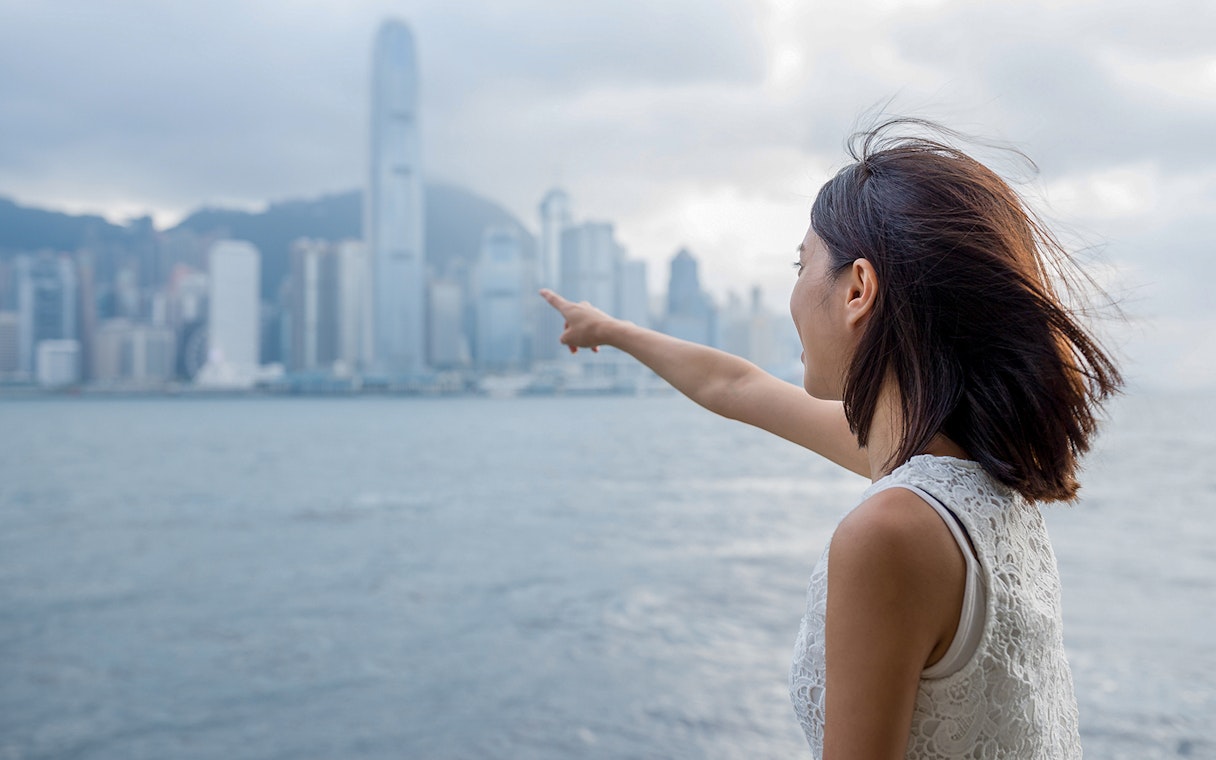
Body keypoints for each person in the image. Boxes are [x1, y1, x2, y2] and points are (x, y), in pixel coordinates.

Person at [539, 119, 1121, 759]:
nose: (793, 293)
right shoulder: (981, 479)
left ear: (857, 290)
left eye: (802, 263)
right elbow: (734, 385)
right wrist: (611, 329)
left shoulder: (891, 533)